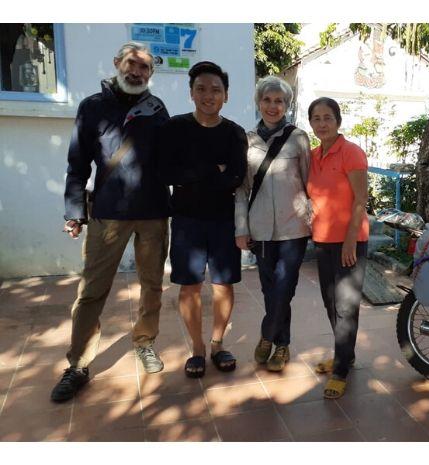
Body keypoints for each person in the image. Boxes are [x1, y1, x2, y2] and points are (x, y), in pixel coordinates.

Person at [52, 42, 170, 402]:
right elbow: (77, 163)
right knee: (92, 290)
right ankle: (78, 365)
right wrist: (75, 211)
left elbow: (171, 159)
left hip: (153, 213)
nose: (137, 72)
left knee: (152, 285)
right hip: (108, 213)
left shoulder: (157, 109)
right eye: (132, 63)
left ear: (150, 73)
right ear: (118, 63)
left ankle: (145, 342)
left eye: (145, 67)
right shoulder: (92, 107)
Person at [158, 61, 248, 378]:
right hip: (187, 222)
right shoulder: (174, 128)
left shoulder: (235, 133)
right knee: (189, 287)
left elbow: (236, 177)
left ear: (226, 95)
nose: (208, 96)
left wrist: (193, 173)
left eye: (216, 90)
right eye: (201, 89)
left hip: (224, 220)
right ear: (191, 93)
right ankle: (197, 348)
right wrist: (213, 169)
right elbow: (166, 173)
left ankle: (217, 344)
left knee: (223, 285)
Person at [234, 76, 312, 372]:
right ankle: (282, 345)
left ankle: (268, 335)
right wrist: (241, 229)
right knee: (270, 289)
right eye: (267, 100)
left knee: (285, 285)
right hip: (260, 228)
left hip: (294, 227)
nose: (272, 106)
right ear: (259, 102)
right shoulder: (247, 140)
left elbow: (309, 182)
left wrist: (314, 220)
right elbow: (242, 190)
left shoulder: (298, 137)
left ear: (287, 105)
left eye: (279, 101)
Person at [306, 97, 369, 399]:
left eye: (327, 117)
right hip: (322, 239)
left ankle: (341, 370)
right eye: (316, 119)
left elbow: (361, 199)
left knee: (346, 306)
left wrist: (350, 240)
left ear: (338, 121)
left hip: (350, 241)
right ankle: (345, 355)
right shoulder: (313, 156)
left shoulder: (351, 153)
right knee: (331, 302)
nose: (322, 124)